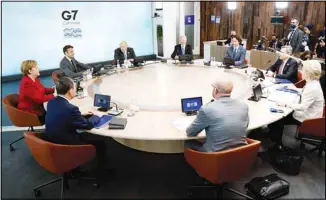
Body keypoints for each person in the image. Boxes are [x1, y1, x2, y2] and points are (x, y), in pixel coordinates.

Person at [43, 77, 108, 171]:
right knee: (101, 144)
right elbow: (88, 125)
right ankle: (103, 170)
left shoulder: (51, 102)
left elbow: (63, 116)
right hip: (67, 144)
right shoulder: (71, 109)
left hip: (52, 141)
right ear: (70, 91)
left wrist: (80, 115)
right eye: (74, 88)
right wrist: (97, 116)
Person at [268, 60, 324, 150]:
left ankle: (278, 145)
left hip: (308, 118)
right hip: (311, 113)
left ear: (309, 72)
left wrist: (286, 104)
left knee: (279, 119)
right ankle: (273, 135)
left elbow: (303, 107)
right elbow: (304, 92)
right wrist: (292, 90)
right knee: (279, 117)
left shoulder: (312, 87)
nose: (302, 71)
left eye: (304, 69)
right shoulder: (313, 82)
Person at [185, 80, 249, 152]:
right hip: (241, 152)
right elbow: (245, 126)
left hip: (215, 157)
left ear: (215, 90)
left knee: (188, 143)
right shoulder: (244, 106)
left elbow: (190, 133)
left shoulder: (207, 109)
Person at [17, 60, 55, 124]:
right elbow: (39, 99)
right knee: (58, 114)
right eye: (36, 67)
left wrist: (54, 89)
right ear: (30, 71)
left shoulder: (34, 78)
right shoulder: (26, 83)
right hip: (31, 113)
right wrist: (55, 95)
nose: (38, 69)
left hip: (38, 107)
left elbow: (43, 90)